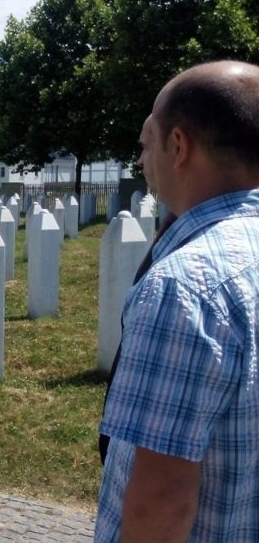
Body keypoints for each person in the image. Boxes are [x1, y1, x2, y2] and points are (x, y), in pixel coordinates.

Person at [95, 60, 259, 542]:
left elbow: (162, 505)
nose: (143, 162)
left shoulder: (185, 287)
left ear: (179, 146)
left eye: (147, 144)